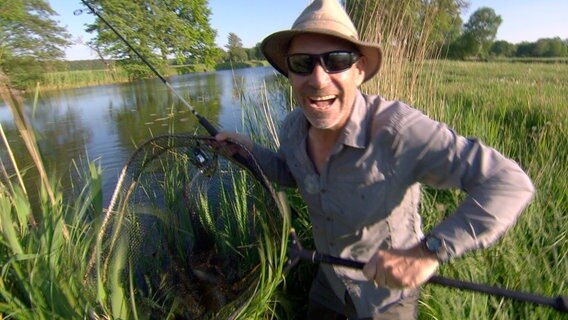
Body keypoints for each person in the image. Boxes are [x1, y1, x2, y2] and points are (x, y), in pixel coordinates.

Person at [216, 0, 535, 318]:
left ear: (360, 70)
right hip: (327, 282)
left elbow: (509, 182)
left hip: (384, 300)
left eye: (336, 61)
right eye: (302, 63)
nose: (318, 78)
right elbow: (291, 174)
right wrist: (249, 152)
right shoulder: (292, 127)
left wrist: (428, 252)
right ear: (289, 72)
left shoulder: (398, 130)